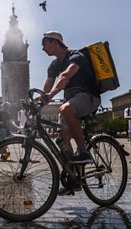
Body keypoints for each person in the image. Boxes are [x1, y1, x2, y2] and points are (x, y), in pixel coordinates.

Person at [40, 31, 101, 195]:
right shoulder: (53, 66)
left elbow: (66, 75)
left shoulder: (76, 55)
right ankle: (74, 179)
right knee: (62, 136)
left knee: (65, 109)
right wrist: (39, 100)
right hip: (70, 101)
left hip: (88, 97)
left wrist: (50, 96)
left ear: (55, 42)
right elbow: (47, 85)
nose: (42, 48)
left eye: (44, 43)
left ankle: (83, 151)